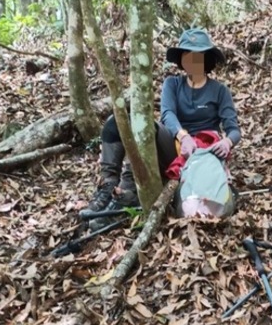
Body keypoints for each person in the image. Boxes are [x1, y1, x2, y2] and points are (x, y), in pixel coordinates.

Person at [81, 27, 241, 218]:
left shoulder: (219, 90)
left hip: (203, 153)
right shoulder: (172, 84)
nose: (193, 61)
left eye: (198, 56)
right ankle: (108, 186)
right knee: (120, 122)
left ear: (207, 59)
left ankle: (129, 192)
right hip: (175, 146)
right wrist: (184, 137)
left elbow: (233, 129)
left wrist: (227, 142)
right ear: (181, 59)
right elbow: (167, 114)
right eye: (187, 56)